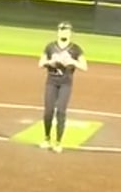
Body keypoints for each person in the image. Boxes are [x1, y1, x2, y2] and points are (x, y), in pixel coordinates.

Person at [37, 22, 88, 153]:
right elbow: (40, 63)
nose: (64, 32)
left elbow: (84, 67)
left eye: (66, 30)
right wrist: (51, 62)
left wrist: (73, 62)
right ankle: (47, 138)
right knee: (48, 111)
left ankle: (58, 142)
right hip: (51, 82)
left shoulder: (75, 49)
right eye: (62, 30)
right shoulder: (50, 47)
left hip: (66, 83)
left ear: (70, 33)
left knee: (61, 110)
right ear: (58, 32)